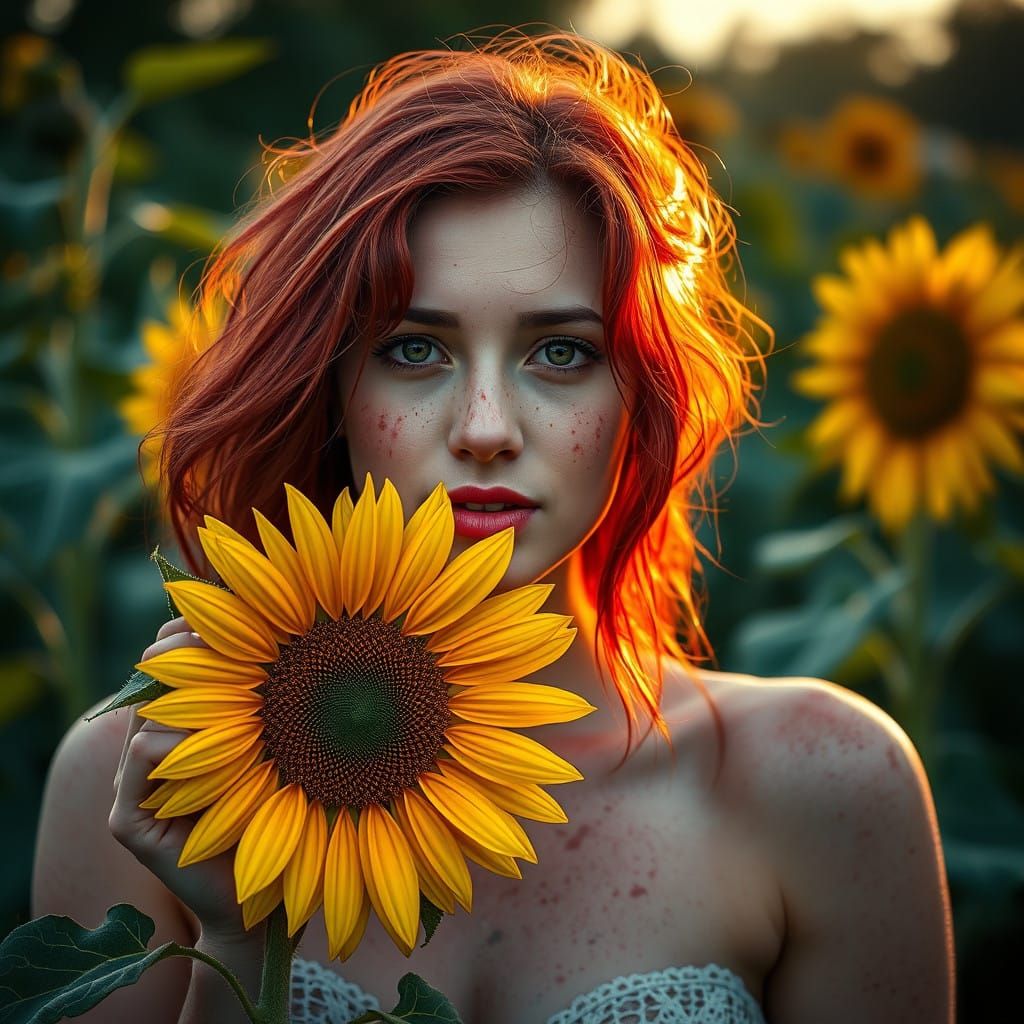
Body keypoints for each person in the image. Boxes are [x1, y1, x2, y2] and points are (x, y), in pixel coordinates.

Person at [31, 30, 955, 1024]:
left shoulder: (821, 785)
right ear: (329, 382)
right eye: (414, 348)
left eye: (559, 351)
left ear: (638, 392)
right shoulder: (142, 778)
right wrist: (240, 942)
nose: (484, 428)